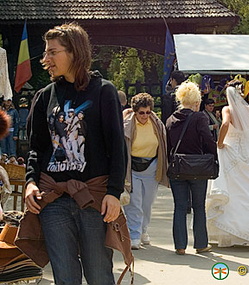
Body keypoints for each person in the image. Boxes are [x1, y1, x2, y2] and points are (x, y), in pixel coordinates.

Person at [21, 22, 131, 284]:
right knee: (65, 276)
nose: (45, 59)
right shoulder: (45, 96)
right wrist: (29, 182)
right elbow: (36, 147)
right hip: (54, 200)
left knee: (98, 274)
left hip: (93, 199)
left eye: (52, 52)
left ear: (74, 52)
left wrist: (114, 193)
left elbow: (117, 146)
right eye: (45, 52)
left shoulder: (104, 91)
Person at [206, 84, 249, 247]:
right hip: (247, 154)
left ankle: (229, 232)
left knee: (232, 191)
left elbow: (226, 124)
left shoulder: (227, 110)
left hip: (231, 151)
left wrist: (220, 143)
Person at [166, 81, 216, 255]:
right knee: (198, 206)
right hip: (197, 168)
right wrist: (214, 155)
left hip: (177, 168)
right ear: (196, 101)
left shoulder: (171, 119)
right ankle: (201, 243)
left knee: (179, 206)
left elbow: (168, 146)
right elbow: (208, 140)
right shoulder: (200, 118)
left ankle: (180, 245)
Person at [123, 92, 168, 249]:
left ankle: (143, 230)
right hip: (132, 167)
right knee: (134, 203)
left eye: (148, 112)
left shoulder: (156, 123)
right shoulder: (127, 124)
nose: (145, 115)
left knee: (147, 203)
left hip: (151, 166)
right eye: (141, 113)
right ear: (135, 111)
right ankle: (134, 235)